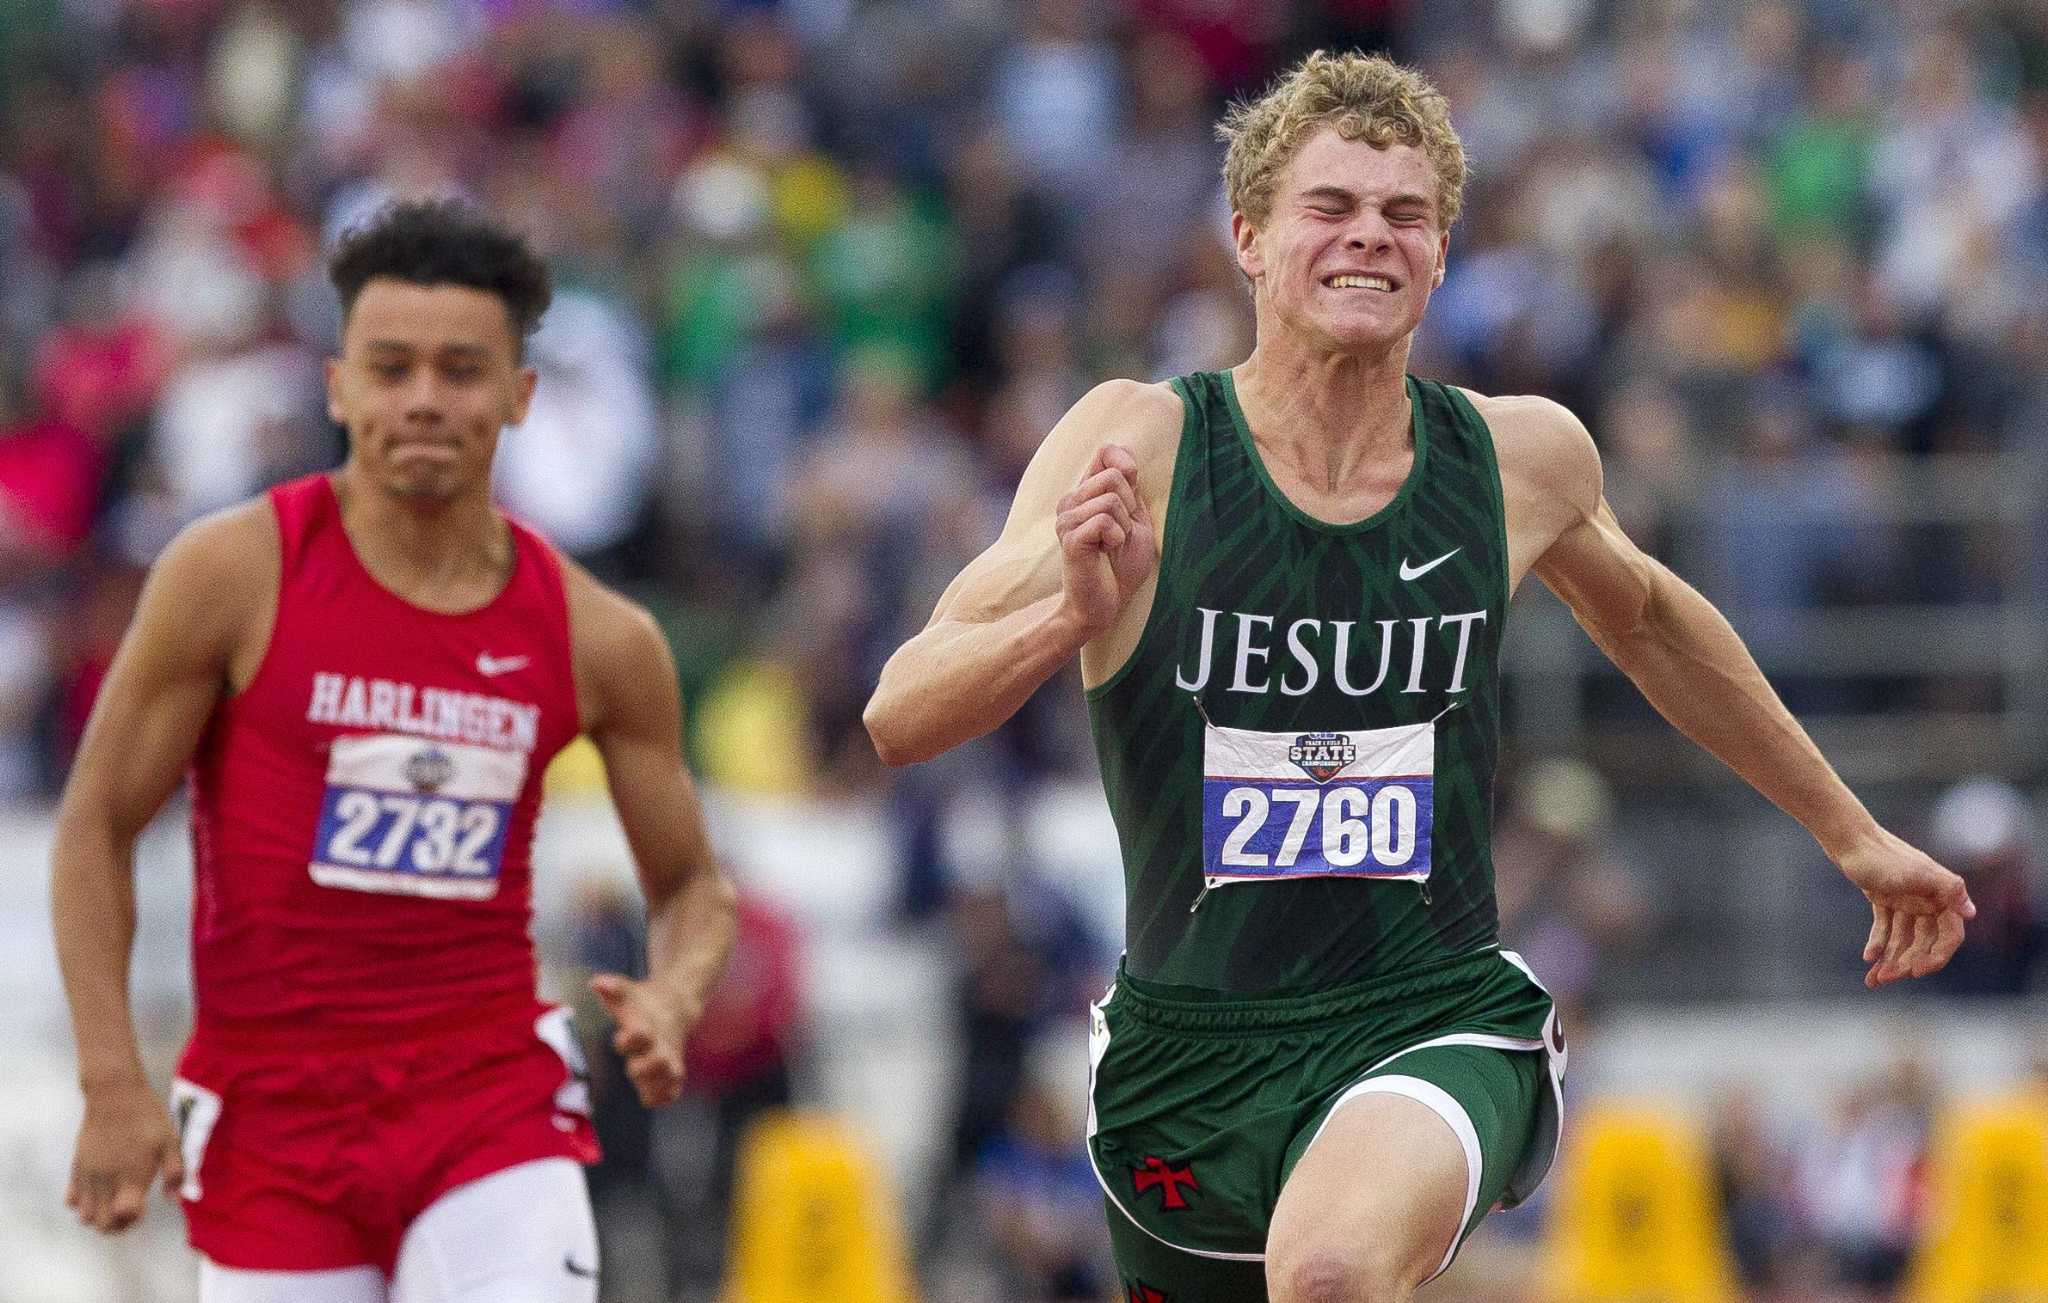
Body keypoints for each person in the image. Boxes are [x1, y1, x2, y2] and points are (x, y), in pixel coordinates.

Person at [863, 50, 1975, 1303]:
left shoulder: (1516, 458)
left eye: (1404, 214)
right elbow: (900, 712)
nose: (1369, 237)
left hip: (1430, 1013)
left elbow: (1658, 627)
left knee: (1330, 1275)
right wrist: (1069, 617)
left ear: (1441, 253)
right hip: (1187, 1056)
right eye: (1329, 207)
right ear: (1246, 237)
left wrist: (1851, 833)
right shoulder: (1142, 445)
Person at [51, 199, 738, 1303]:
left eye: (461, 370)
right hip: (276, 1128)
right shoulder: (233, 576)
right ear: (338, 386)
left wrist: (675, 991)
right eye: (391, 367)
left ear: (519, 394)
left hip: (491, 1112)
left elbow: (693, 883)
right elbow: (95, 824)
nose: (423, 398)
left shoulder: (597, 634)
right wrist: (109, 1076)